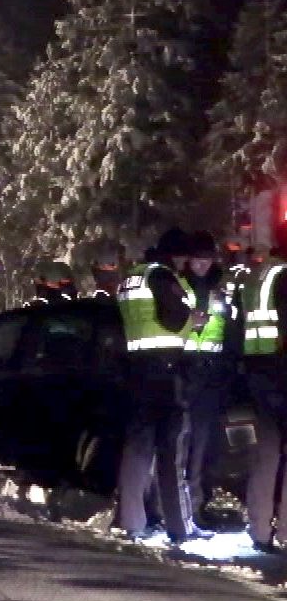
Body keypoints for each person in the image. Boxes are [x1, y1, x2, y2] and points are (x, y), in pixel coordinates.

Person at [115, 227, 207, 543]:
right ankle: (179, 527)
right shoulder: (162, 277)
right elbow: (172, 319)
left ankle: (131, 521)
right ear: (174, 255)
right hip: (166, 375)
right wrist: (194, 319)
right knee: (172, 454)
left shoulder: (132, 278)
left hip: (137, 372)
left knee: (137, 451)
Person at [182, 230, 233, 522]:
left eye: (206, 259)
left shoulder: (220, 287)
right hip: (186, 371)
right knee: (184, 443)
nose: (201, 264)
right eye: (196, 259)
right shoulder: (180, 286)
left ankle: (197, 503)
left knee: (204, 444)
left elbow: (228, 328)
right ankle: (180, 505)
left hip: (212, 373)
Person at [241, 246, 287, 554]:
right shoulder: (284, 276)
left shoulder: (257, 275)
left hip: (258, 371)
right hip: (282, 371)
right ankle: (285, 530)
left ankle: (259, 528)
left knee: (266, 457)